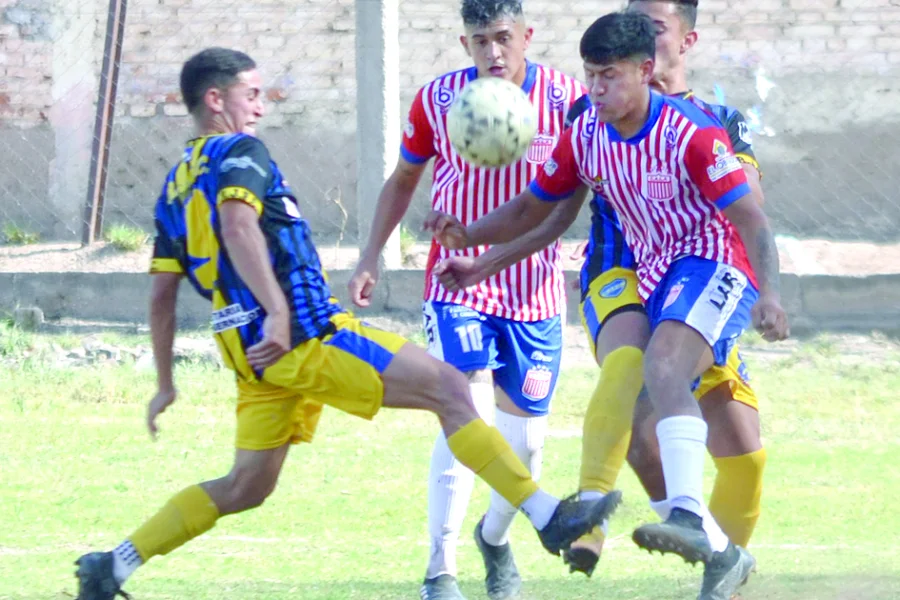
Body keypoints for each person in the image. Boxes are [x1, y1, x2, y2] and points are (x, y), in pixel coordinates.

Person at [72, 47, 615, 600]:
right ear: (216, 101)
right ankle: (548, 517)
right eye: (251, 94)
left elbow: (162, 294)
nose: (261, 107)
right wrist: (281, 313)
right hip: (304, 333)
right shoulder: (240, 152)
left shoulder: (173, 189)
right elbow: (239, 229)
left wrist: (166, 381)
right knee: (451, 388)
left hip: (250, 355)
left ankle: (114, 564)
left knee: (245, 486)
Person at [425, 11, 789, 600]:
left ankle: (684, 518)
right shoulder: (586, 132)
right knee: (644, 378)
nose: (595, 90)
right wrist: (472, 247)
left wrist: (770, 293)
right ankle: (709, 548)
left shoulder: (692, 131)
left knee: (668, 373)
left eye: (609, 77)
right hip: (651, 273)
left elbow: (750, 215)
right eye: (590, 76)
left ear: (646, 71)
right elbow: (539, 211)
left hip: (716, 263)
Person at [348, 2, 614, 600]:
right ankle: (439, 572)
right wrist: (370, 255)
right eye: (478, 41)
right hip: (456, 282)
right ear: (463, 43)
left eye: (502, 38)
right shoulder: (439, 100)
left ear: (526, 36)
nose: (493, 52)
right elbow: (404, 180)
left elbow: (580, 190)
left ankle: (494, 538)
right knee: (460, 407)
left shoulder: (570, 99)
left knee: (527, 447)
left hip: (535, 289)